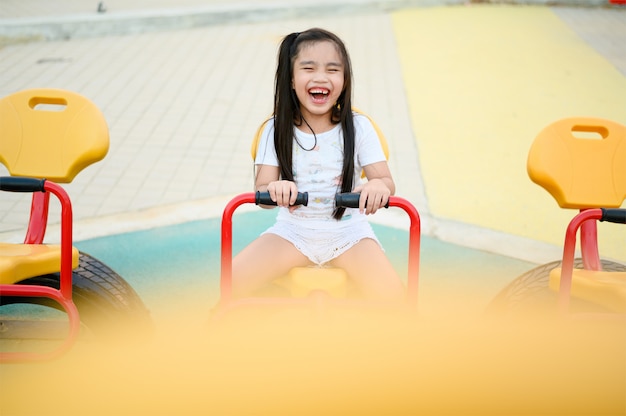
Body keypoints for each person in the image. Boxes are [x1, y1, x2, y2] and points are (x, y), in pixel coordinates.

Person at [232, 28, 405, 301]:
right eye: (308, 68)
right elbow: (263, 193)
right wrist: (275, 188)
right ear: (291, 79)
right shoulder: (274, 129)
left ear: (345, 81)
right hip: (293, 232)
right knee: (231, 280)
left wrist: (376, 186)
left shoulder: (359, 127)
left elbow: (386, 181)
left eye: (333, 70)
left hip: (349, 234)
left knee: (394, 296)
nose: (321, 77)